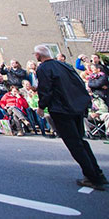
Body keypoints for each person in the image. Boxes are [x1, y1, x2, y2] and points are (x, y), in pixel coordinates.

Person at [34, 44, 107, 190]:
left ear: (38, 56)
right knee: (81, 141)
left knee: (75, 145)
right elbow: (79, 83)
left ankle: (92, 178)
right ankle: (98, 174)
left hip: (61, 110)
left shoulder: (43, 68)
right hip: (75, 107)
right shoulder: (64, 65)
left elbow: (45, 89)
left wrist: (41, 106)